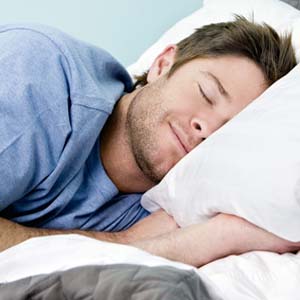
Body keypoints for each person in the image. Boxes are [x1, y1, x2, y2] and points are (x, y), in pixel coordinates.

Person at [0, 16, 299, 267]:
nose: (205, 127)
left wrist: (221, 237)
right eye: (207, 93)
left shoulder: (172, 211)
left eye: (224, 132)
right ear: (163, 63)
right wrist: (126, 243)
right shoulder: (41, 72)